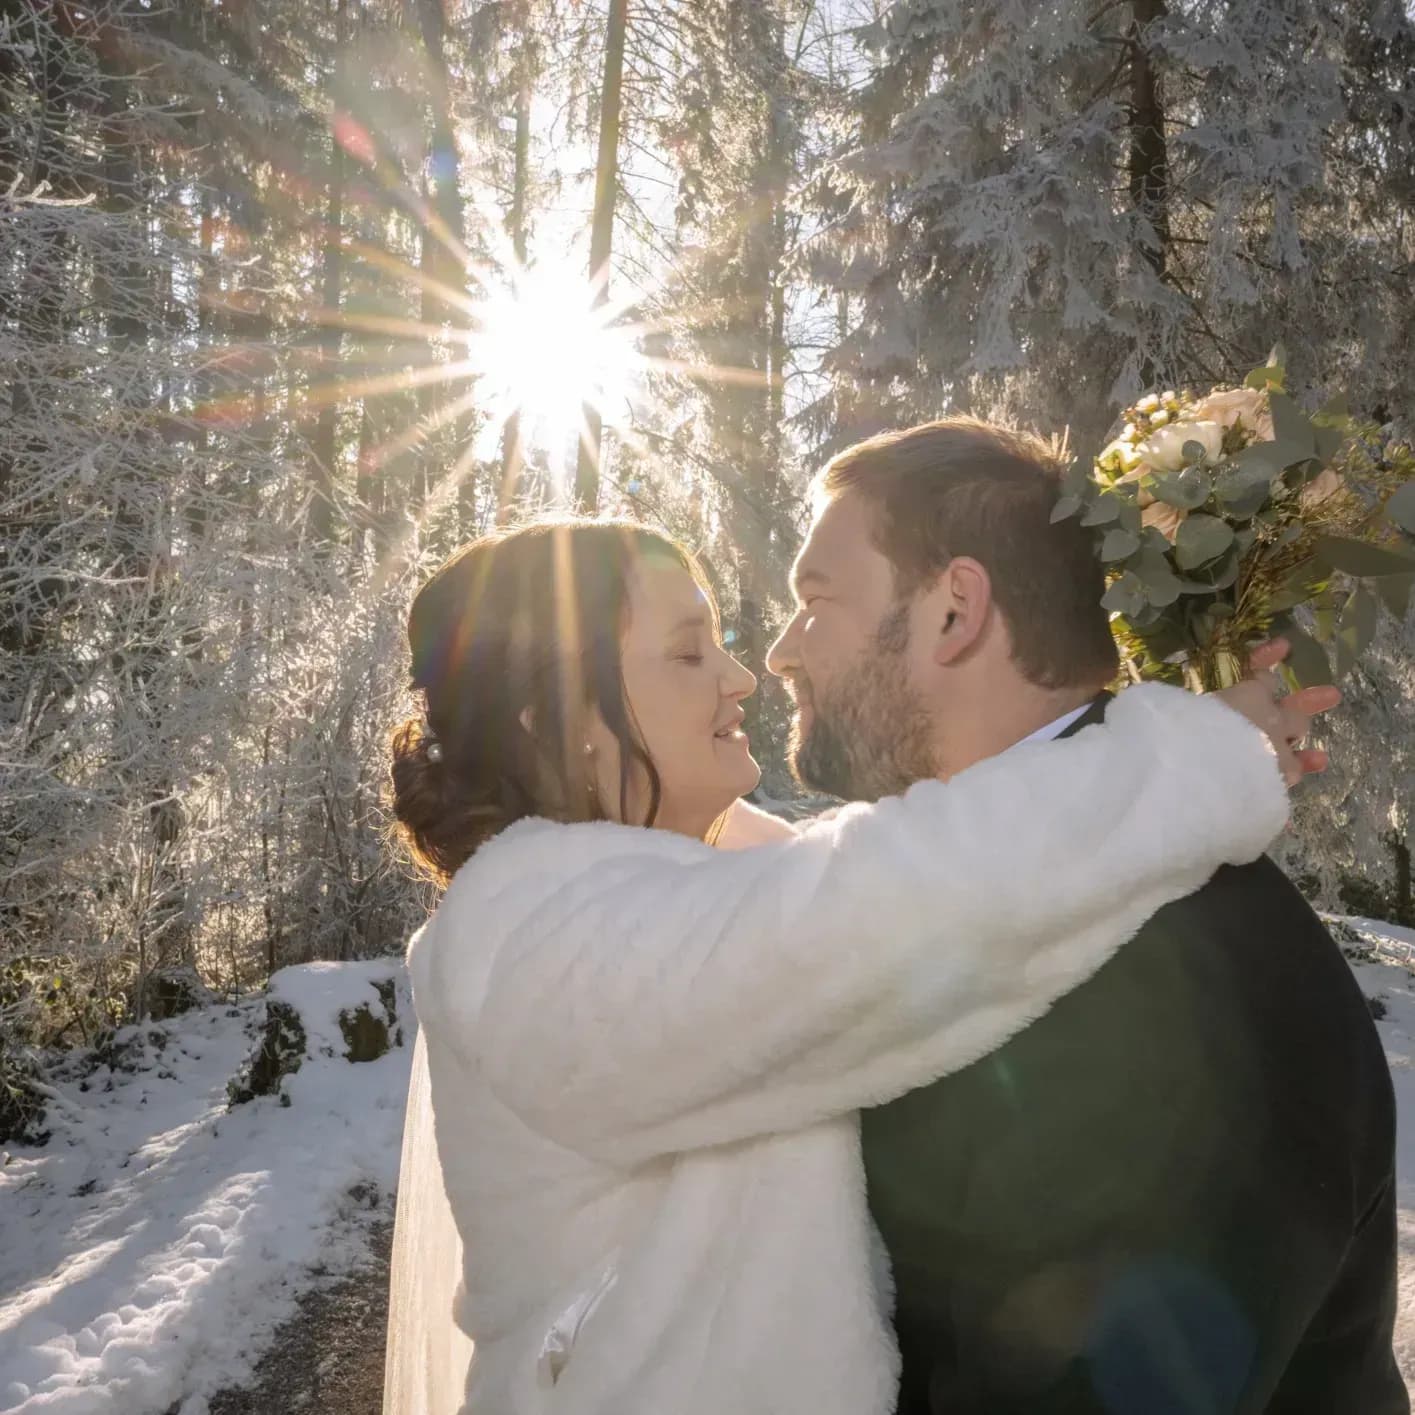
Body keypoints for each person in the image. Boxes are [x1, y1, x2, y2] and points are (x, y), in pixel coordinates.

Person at [382, 513, 1325, 1415]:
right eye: (688, 651)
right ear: (552, 714)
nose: (743, 675)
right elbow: (894, 905)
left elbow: (881, 891)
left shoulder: (706, 882)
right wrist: (1192, 756)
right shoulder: (525, 936)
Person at [764, 417, 1405, 1414]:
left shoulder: (1184, 975)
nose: (777, 652)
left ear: (953, 611)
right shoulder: (977, 881)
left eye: (813, 600)